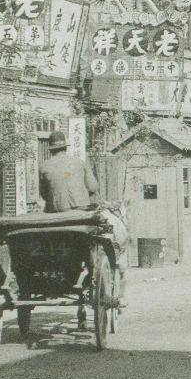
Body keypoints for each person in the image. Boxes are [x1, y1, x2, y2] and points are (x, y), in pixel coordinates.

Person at [38, 130, 127, 329]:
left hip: (54, 219)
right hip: (80, 217)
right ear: (65, 146)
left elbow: (43, 194)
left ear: (51, 148)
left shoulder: (44, 166)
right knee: (94, 243)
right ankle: (91, 273)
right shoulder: (78, 163)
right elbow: (93, 187)